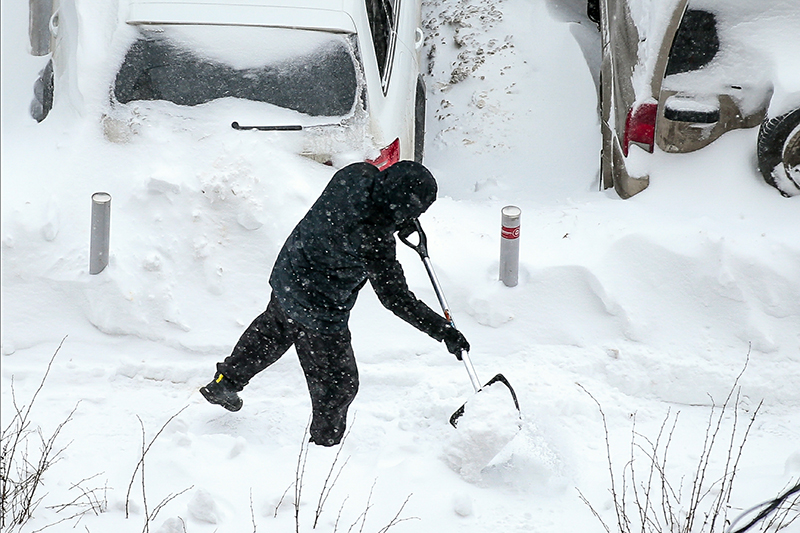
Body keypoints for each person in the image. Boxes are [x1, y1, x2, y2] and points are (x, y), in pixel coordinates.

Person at [200, 160, 470, 446]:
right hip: (319, 308)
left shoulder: (356, 174)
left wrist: (397, 219)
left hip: (290, 273)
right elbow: (396, 299)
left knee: (274, 330)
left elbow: (371, 203)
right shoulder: (373, 239)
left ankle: (224, 383)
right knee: (339, 385)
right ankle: (323, 448)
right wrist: (443, 331)